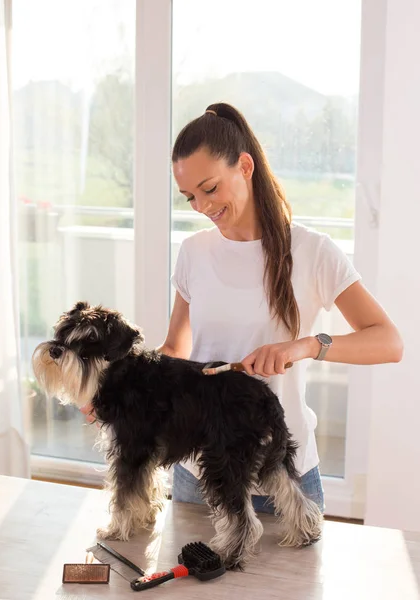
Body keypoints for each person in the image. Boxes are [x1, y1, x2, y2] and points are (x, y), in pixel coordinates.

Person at [81, 102, 403, 514]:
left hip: (279, 471)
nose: (201, 206)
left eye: (210, 188)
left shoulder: (311, 251)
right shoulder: (194, 252)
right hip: (198, 473)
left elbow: (389, 342)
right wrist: (112, 390)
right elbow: (176, 349)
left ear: (245, 167)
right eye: (189, 196)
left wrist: (303, 346)